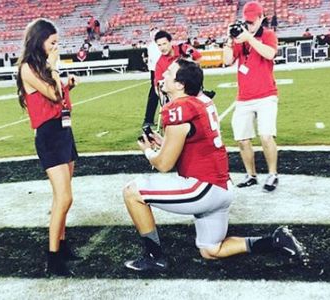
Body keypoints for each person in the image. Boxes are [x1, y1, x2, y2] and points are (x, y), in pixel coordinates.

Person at [122, 59, 308, 272]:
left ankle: (153, 256)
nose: (163, 74)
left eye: (169, 72)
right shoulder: (200, 101)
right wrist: (164, 143)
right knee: (211, 250)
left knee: (132, 192)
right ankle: (273, 241)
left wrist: (148, 151)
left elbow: (164, 164)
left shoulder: (179, 108)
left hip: (203, 188)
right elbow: (192, 146)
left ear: (180, 84)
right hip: (221, 188)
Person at [16, 18, 81, 277]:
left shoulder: (43, 65)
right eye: (52, 42)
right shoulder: (28, 68)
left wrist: (67, 85)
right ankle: (52, 257)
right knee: (64, 197)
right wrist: (55, 71)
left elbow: (58, 94)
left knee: (63, 197)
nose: (56, 47)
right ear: (38, 40)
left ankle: (62, 245)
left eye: (57, 43)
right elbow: (52, 94)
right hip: (49, 135)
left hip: (64, 131)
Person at [223, 1, 279, 192]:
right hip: (244, 97)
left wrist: (250, 38)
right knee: (242, 139)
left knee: (266, 136)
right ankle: (251, 175)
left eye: (252, 22)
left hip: (266, 95)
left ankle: (272, 174)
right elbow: (227, 60)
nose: (249, 25)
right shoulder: (241, 38)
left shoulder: (268, 35)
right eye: (247, 22)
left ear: (261, 18)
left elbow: (270, 54)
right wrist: (229, 41)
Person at [142, 27, 161, 127]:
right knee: (154, 95)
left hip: (160, 71)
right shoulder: (153, 46)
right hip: (156, 72)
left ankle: (149, 119)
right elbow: (156, 62)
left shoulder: (155, 45)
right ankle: (148, 119)